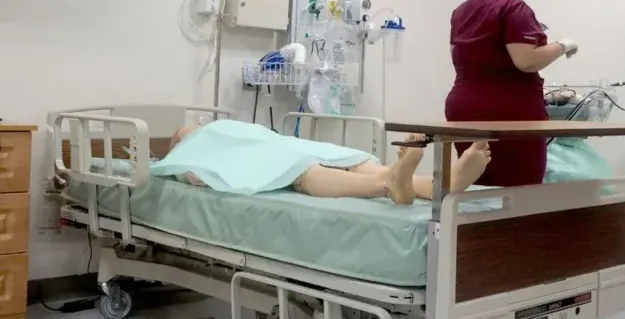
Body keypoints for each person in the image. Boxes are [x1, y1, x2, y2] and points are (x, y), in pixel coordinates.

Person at [445, 0, 577, 187]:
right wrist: (563, 45)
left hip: (463, 110)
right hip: (508, 115)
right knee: (519, 197)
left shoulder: (462, 10)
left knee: (474, 192)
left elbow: (459, 58)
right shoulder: (513, 7)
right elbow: (526, 60)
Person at [158, 119, 490, 205]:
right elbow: (198, 174)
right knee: (328, 164)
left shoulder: (205, 141)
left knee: (313, 169)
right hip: (273, 147)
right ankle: (411, 182)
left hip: (273, 146)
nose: (184, 131)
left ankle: (404, 182)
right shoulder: (193, 148)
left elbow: (200, 175)